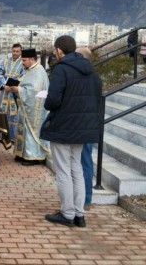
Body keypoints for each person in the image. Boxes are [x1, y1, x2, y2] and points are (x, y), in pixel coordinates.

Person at [40, 35, 102, 228]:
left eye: (55, 50)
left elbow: (53, 100)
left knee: (63, 172)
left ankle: (67, 213)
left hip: (63, 127)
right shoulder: (92, 72)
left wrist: (48, 102)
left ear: (59, 50)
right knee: (76, 169)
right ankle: (79, 213)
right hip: (84, 128)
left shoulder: (61, 70)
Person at [10, 49, 50, 165]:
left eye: (24, 60)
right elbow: (26, 82)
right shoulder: (31, 70)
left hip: (34, 109)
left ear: (32, 59)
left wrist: (18, 89)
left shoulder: (38, 71)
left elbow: (34, 91)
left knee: (30, 131)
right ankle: (22, 154)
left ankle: (34, 156)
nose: (22, 62)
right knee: (23, 130)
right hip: (25, 107)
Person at [75, 46, 96, 210]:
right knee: (84, 161)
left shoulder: (81, 78)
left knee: (84, 161)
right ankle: (84, 197)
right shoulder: (94, 77)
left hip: (82, 125)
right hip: (89, 124)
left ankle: (85, 198)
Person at [0, 43, 24, 143]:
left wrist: (15, 85)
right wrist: (3, 85)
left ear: (21, 51)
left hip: (15, 94)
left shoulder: (23, 62)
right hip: (4, 92)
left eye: (17, 51)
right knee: (2, 113)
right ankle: (1, 136)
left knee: (14, 115)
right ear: (11, 51)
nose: (15, 53)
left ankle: (12, 137)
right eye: (14, 51)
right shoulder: (6, 60)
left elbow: (24, 77)